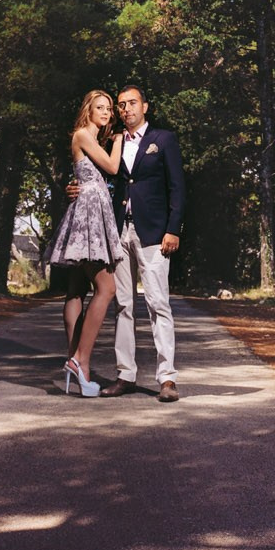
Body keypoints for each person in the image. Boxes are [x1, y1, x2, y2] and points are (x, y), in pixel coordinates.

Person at [70, 84, 186, 402]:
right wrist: (76, 189)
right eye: (121, 105)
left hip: (153, 233)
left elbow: (177, 187)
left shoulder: (163, 140)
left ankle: (167, 379)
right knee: (123, 305)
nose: (125, 109)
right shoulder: (112, 142)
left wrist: (173, 229)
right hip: (118, 232)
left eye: (132, 103)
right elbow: (97, 175)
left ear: (145, 106)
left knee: (158, 303)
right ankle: (126, 375)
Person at [43, 89, 125, 397]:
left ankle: (76, 364)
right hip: (89, 214)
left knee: (76, 288)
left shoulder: (89, 140)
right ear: (88, 109)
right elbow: (113, 168)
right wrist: (117, 142)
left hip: (91, 209)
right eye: (100, 107)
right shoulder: (82, 134)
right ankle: (80, 360)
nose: (106, 113)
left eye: (108, 109)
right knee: (107, 288)